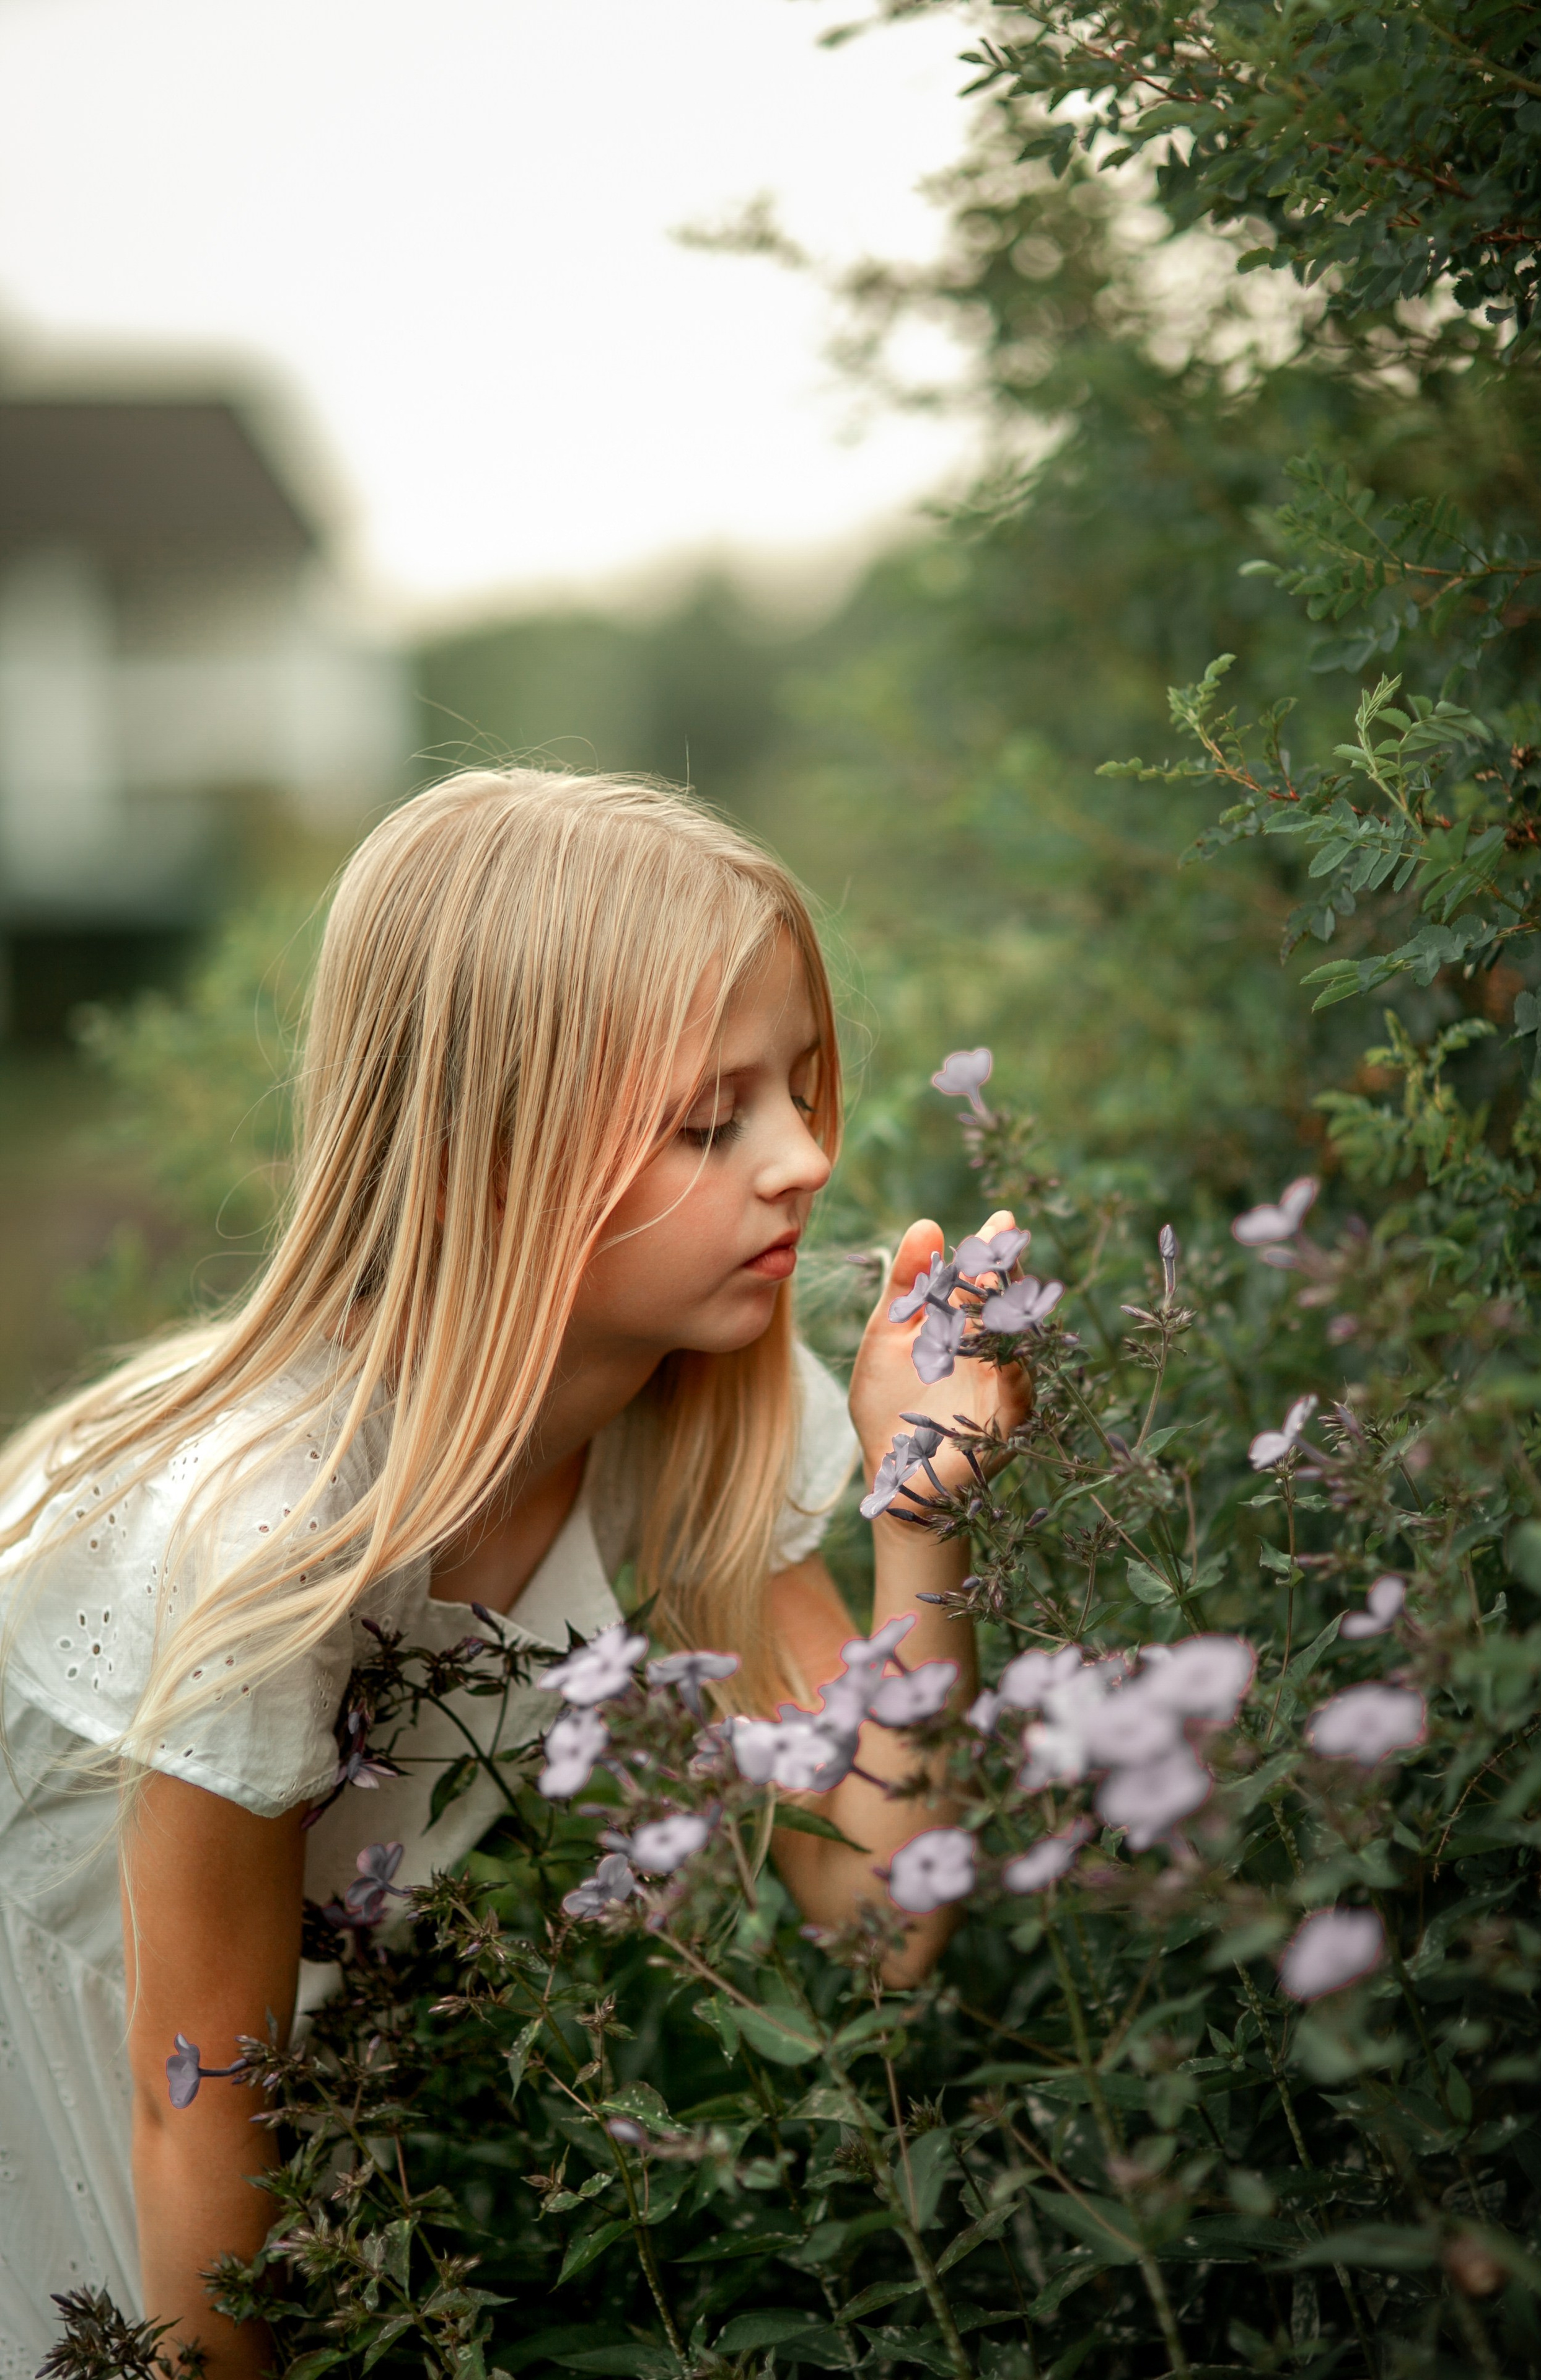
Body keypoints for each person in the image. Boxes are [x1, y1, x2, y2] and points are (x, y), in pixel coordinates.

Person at [0, 770, 1025, 2378]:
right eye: (713, 1119)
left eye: (801, 1092)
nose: (805, 1159)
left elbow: (873, 1912)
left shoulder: (694, 1413)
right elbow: (193, 2100)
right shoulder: (267, 1520)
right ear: (493, 1155)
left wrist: (922, 1515)